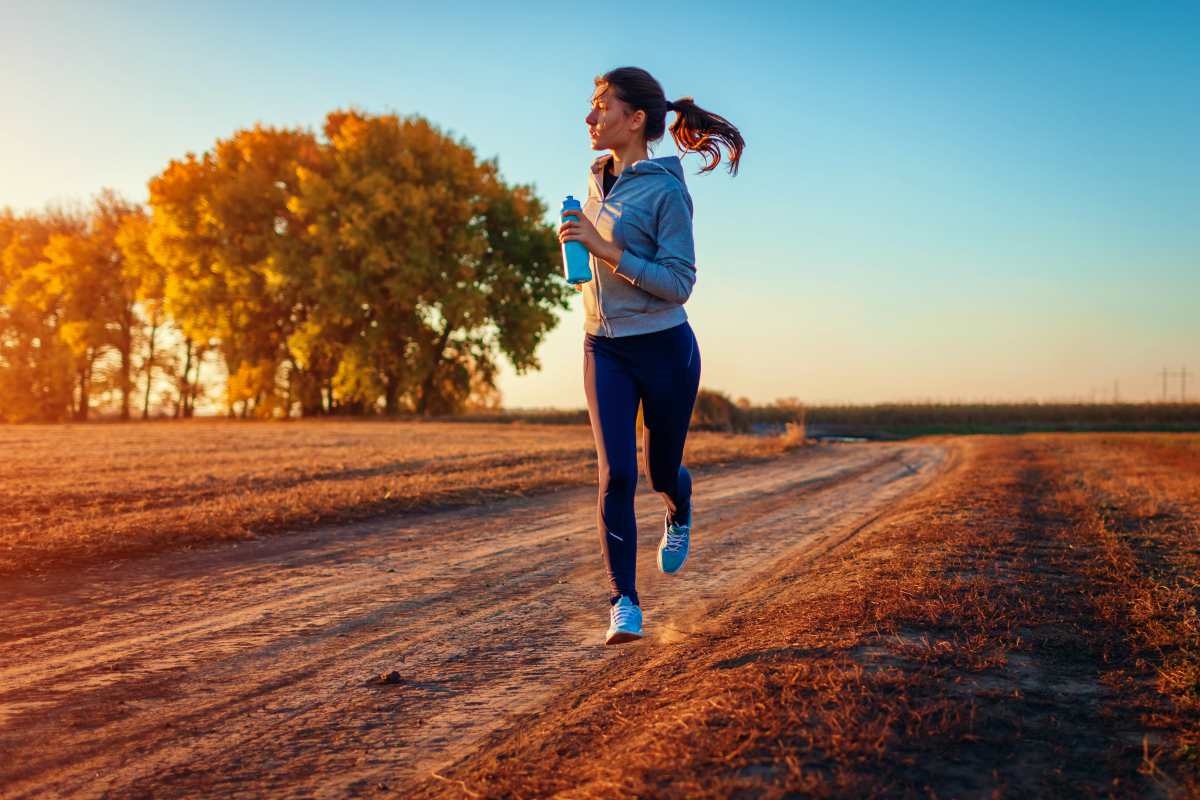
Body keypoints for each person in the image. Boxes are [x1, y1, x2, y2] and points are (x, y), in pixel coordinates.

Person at [558, 66, 745, 645]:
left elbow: (679, 282)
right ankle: (624, 605)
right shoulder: (595, 178)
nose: (590, 117)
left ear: (635, 119)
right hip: (603, 348)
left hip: (664, 347)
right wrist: (578, 247)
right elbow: (602, 257)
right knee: (616, 473)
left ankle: (679, 508)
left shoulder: (667, 191)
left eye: (601, 106)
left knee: (661, 469)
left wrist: (603, 249)